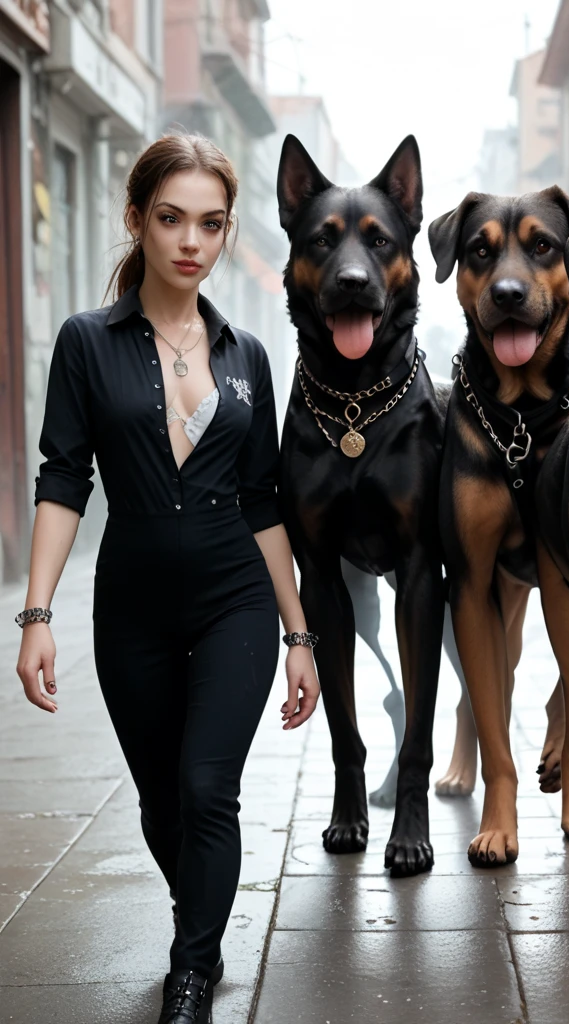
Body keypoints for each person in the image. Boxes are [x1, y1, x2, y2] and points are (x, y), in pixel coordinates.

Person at [14, 133, 320, 1024]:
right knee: (159, 800)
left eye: (212, 224)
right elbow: (64, 478)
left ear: (228, 235)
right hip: (133, 605)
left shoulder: (248, 354)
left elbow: (264, 500)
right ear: (138, 222)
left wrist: (298, 633)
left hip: (234, 598)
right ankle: (204, 916)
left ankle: (191, 971)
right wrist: (36, 613)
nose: (192, 240)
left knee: (204, 787)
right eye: (173, 219)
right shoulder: (86, 344)